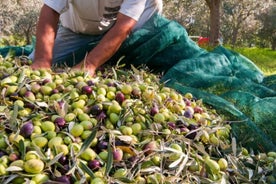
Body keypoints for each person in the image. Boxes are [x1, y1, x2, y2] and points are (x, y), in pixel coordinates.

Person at [29, 0, 163, 76]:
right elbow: (50, 10)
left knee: (137, 48)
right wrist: (42, 59)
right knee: (33, 60)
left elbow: (124, 26)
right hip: (77, 30)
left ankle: (110, 54)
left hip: (115, 26)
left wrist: (90, 64)